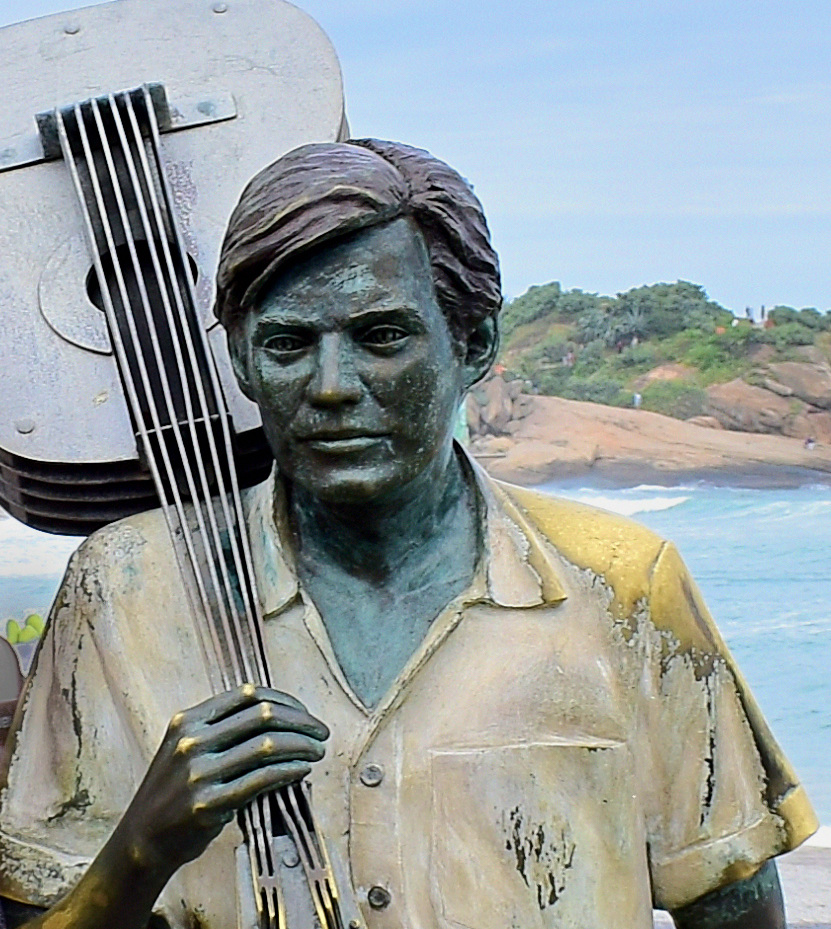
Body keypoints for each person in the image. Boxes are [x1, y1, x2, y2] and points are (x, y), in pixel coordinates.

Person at [0, 140, 818, 928]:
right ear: (243, 361)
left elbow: (734, 904)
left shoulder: (622, 583)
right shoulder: (125, 589)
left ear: (473, 344)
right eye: (289, 343)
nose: (330, 387)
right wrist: (140, 850)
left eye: (381, 336)